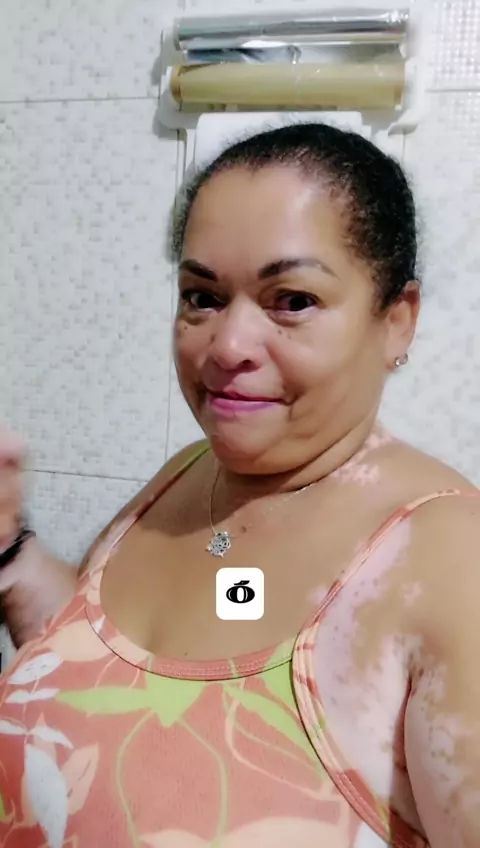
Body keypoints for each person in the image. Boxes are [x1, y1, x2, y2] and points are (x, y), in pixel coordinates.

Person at [0, 122, 479, 848]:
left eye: (292, 300)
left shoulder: (448, 561)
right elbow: (107, 677)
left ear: (396, 321)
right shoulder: (188, 477)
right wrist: (11, 549)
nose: (226, 347)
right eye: (202, 296)